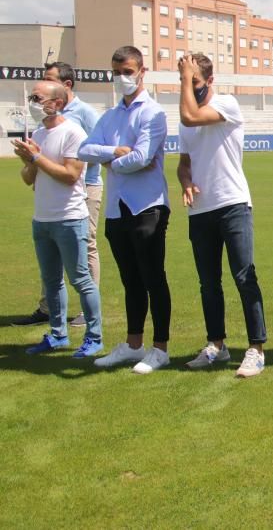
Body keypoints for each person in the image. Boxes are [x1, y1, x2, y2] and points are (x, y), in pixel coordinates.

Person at [79, 46, 172, 374]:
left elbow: (143, 157)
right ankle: (134, 345)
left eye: (128, 71)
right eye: (116, 72)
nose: (122, 78)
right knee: (130, 280)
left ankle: (160, 348)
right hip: (117, 209)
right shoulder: (110, 115)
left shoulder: (153, 113)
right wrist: (113, 152)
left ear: (142, 71)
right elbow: (84, 149)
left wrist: (110, 161)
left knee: (152, 277)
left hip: (147, 206)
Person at [176, 54, 267, 378]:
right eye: (186, 81)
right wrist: (186, 183)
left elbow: (190, 116)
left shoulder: (227, 104)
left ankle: (256, 349)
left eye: (195, 82)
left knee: (244, 277)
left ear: (210, 81)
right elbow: (184, 164)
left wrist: (186, 79)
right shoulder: (185, 114)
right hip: (201, 210)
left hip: (232, 204)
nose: (189, 87)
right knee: (208, 283)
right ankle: (217, 345)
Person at [15, 81, 103, 357]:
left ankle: (94, 337)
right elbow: (29, 178)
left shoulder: (74, 133)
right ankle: (57, 335)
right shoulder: (39, 133)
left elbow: (70, 176)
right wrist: (29, 161)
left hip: (69, 218)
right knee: (51, 280)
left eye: (38, 98)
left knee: (81, 280)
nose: (33, 103)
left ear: (58, 103)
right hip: (42, 219)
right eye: (32, 97)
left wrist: (37, 158)